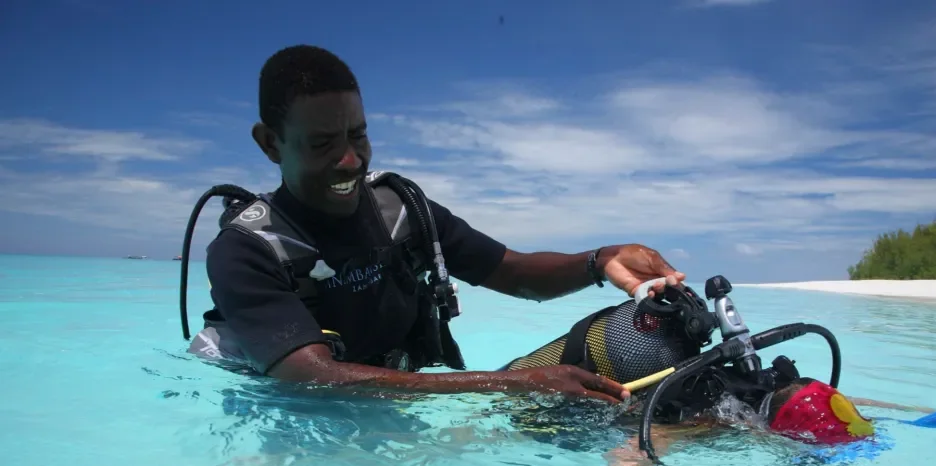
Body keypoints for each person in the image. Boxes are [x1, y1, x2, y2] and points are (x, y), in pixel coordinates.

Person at [188, 44, 686, 405]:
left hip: (405, 401)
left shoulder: (400, 210)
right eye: (322, 144)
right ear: (270, 144)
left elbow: (513, 272)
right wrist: (508, 383)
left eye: (358, 136)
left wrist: (599, 261)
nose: (349, 160)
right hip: (298, 427)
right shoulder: (246, 250)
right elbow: (308, 376)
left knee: (632, 388)